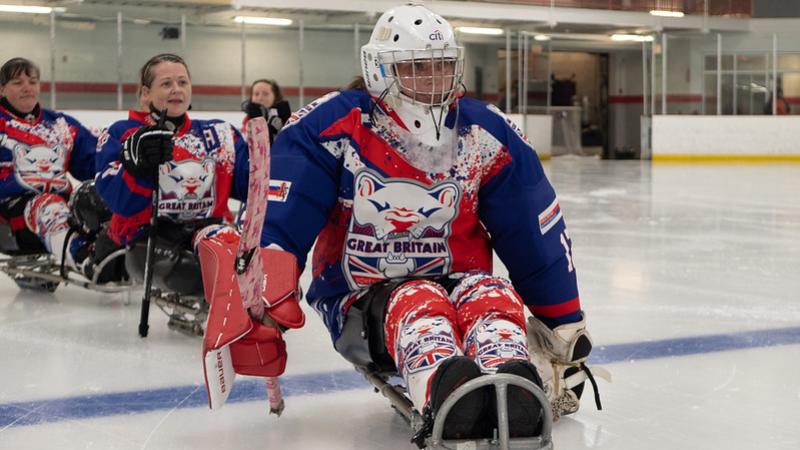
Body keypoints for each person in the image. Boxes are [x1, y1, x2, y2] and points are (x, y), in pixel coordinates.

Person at [213, 2, 598, 442]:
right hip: (362, 298)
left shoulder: (482, 132)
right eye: (417, 68)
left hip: (460, 278)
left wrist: (562, 318)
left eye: (441, 66)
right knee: (419, 302)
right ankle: (448, 394)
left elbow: (531, 226)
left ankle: (514, 387)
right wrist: (267, 295)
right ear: (380, 69)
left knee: (491, 294)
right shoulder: (335, 126)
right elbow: (282, 213)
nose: (433, 80)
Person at [0, 57, 116, 287]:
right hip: (10, 215)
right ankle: (85, 260)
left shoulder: (61, 125)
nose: (27, 87)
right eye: (17, 82)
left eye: (32, 81)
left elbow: (95, 162)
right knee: (47, 205)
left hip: (63, 205)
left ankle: (118, 252)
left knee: (102, 195)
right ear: (2, 89)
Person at [241, 79, 291, 143]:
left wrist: (286, 123)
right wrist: (257, 123)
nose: (260, 98)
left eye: (265, 94)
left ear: (275, 96)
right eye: (256, 94)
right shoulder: (247, 120)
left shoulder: (284, 116)